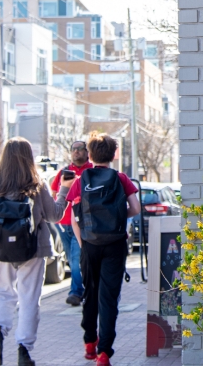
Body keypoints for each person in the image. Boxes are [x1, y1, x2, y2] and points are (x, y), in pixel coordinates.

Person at [0, 137, 74, 366]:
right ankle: (24, 350)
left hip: (3, 250)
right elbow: (54, 215)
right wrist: (64, 190)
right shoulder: (36, 184)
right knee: (29, 300)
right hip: (33, 250)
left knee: (2, 294)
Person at [66, 133, 140, 366]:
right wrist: (117, 219)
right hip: (115, 244)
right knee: (108, 298)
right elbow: (135, 208)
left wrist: (83, 244)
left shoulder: (81, 180)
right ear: (113, 154)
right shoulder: (121, 178)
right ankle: (104, 352)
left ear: (90, 155)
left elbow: (74, 218)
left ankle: (90, 342)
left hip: (89, 244)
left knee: (90, 293)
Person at [50, 139, 93, 306]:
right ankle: (82, 289)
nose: (76, 151)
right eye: (73, 149)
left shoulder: (92, 170)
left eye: (80, 148)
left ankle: (76, 292)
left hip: (81, 222)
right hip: (63, 223)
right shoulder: (64, 172)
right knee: (71, 259)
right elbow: (55, 193)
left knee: (76, 260)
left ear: (87, 152)